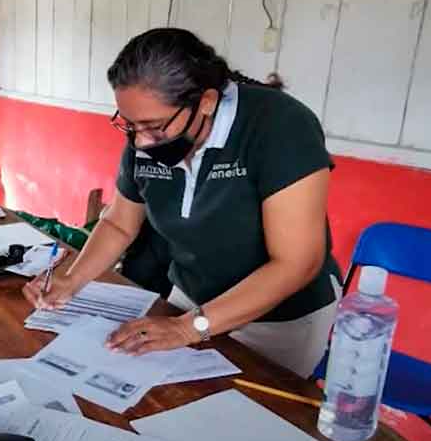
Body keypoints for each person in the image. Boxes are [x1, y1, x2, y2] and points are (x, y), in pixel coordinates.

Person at [24, 28, 341, 377]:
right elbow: (119, 223)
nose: (141, 142)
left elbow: (297, 263)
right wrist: (72, 280)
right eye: (129, 126)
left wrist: (189, 328)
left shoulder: (280, 126)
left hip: (278, 319)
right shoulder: (148, 135)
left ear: (205, 102)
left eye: (154, 127)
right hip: (190, 297)